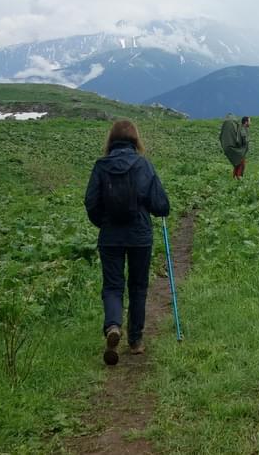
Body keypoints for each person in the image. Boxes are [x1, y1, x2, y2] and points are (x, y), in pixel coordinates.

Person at [84, 119, 170, 365]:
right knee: (138, 286)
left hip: (110, 236)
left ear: (111, 140)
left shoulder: (101, 166)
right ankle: (136, 341)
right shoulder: (143, 165)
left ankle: (113, 326)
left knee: (112, 286)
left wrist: (104, 223)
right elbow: (161, 205)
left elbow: (91, 202)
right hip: (140, 235)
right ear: (136, 140)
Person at [219, 114, 251, 179]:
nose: (250, 123)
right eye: (249, 121)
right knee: (241, 164)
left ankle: (234, 178)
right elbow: (242, 140)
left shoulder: (241, 128)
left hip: (238, 150)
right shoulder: (242, 129)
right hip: (239, 151)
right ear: (246, 122)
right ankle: (238, 178)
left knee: (237, 164)